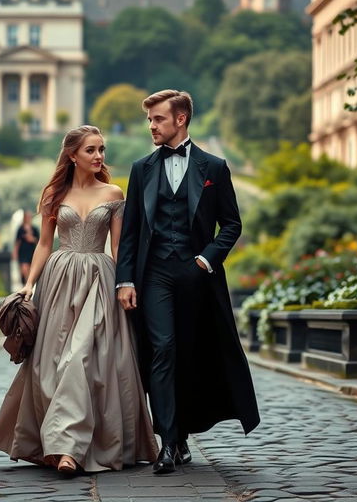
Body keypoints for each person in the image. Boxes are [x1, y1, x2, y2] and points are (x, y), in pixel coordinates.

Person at [0, 125, 158, 474]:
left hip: (99, 277)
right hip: (59, 279)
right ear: (72, 155)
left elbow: (120, 245)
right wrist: (29, 285)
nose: (99, 157)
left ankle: (69, 449)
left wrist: (124, 283)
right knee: (51, 364)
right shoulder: (54, 194)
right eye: (91, 150)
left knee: (81, 358)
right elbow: (44, 245)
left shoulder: (112, 193)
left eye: (102, 150)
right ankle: (56, 443)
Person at [116, 89, 260, 475]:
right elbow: (129, 232)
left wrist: (206, 259)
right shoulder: (141, 168)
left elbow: (231, 224)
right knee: (162, 349)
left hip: (197, 275)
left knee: (191, 353)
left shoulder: (213, 168)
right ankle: (167, 442)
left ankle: (180, 436)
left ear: (180, 119)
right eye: (149, 120)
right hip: (155, 274)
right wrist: (125, 280)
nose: (152, 126)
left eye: (158, 119)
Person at [13, 210, 39, 285]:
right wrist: (15, 253)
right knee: (24, 268)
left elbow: (39, 241)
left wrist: (32, 239)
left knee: (30, 269)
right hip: (23, 252)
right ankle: (27, 283)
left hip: (31, 251)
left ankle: (28, 284)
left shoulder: (34, 229)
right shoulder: (20, 229)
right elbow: (17, 242)